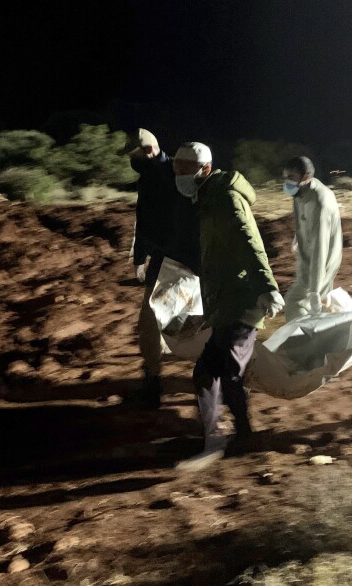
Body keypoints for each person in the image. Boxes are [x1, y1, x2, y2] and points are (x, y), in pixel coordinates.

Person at [171, 142, 285, 470]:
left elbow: (250, 241)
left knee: (224, 372)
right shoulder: (207, 197)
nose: (179, 175)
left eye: (185, 169)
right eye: (176, 168)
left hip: (244, 299)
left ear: (204, 169)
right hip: (225, 300)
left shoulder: (226, 197)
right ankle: (224, 436)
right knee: (212, 372)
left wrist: (267, 288)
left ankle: (234, 437)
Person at [129, 129, 201, 408]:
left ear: (147, 151)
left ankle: (215, 379)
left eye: (133, 154)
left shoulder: (176, 172)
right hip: (162, 258)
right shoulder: (147, 176)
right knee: (149, 321)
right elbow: (143, 218)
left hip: (190, 261)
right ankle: (152, 377)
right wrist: (139, 257)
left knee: (192, 322)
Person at [282, 156, 343, 319]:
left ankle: (302, 341)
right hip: (308, 253)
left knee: (294, 303)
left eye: (292, 177)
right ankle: (331, 331)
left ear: (307, 177)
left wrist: (315, 288)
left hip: (323, 259)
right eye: (286, 177)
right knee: (319, 305)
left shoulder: (320, 202)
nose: (287, 181)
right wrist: (298, 238)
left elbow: (320, 249)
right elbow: (300, 218)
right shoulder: (299, 192)